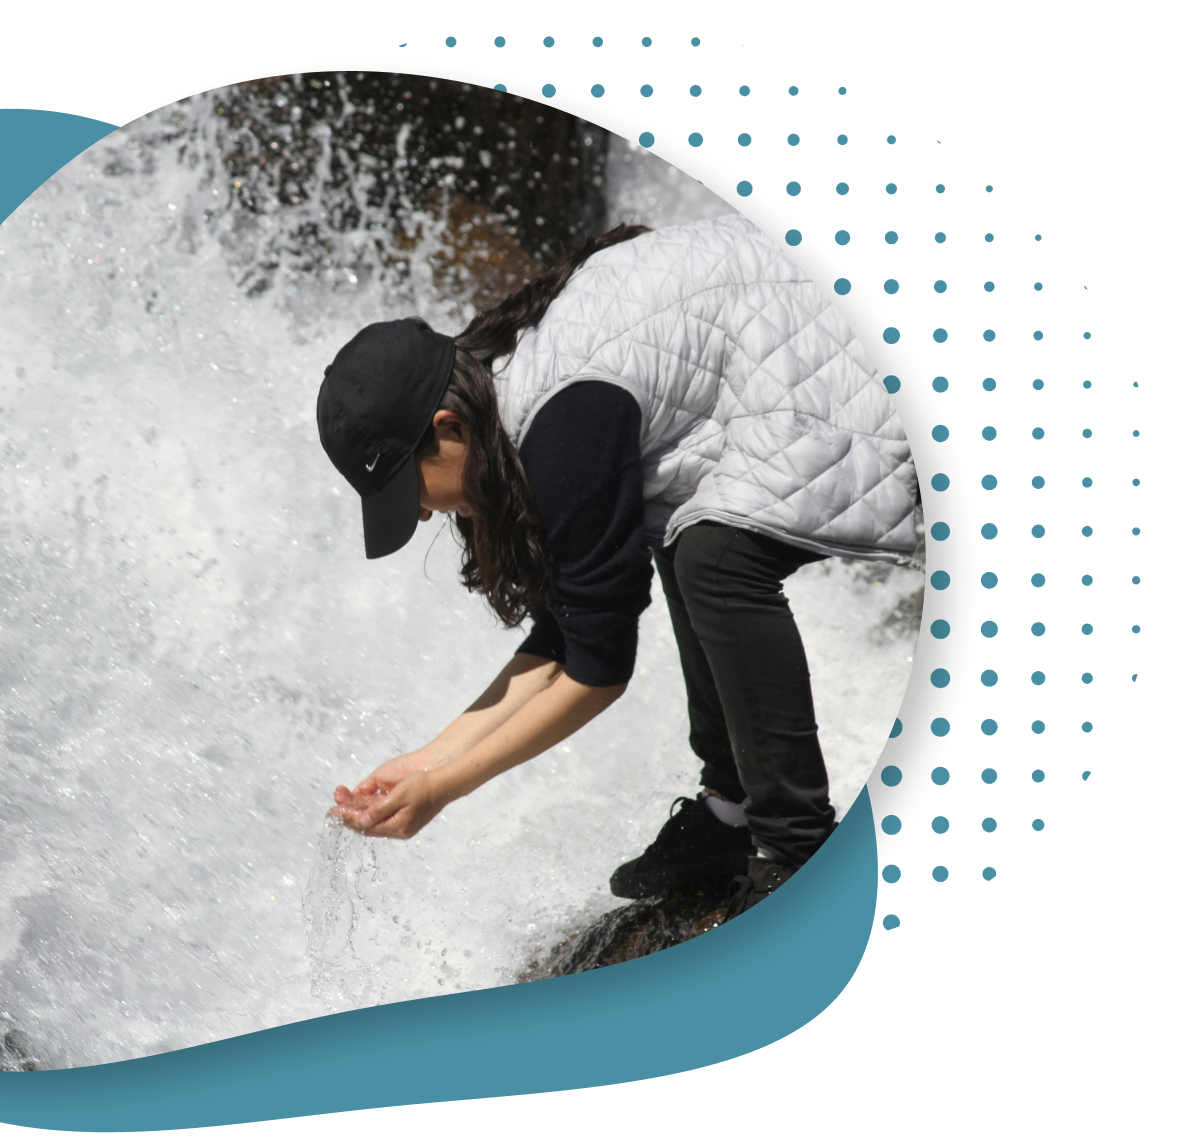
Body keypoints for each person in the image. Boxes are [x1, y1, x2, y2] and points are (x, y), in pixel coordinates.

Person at [315, 214, 918, 918]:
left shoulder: (564, 425)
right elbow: (566, 631)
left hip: (834, 349)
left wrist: (446, 788)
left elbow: (598, 671)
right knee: (680, 528)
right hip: (772, 335)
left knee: (714, 556)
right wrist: (426, 762)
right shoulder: (503, 394)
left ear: (446, 432)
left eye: (407, 489)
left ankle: (796, 854)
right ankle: (730, 814)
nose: (418, 515)